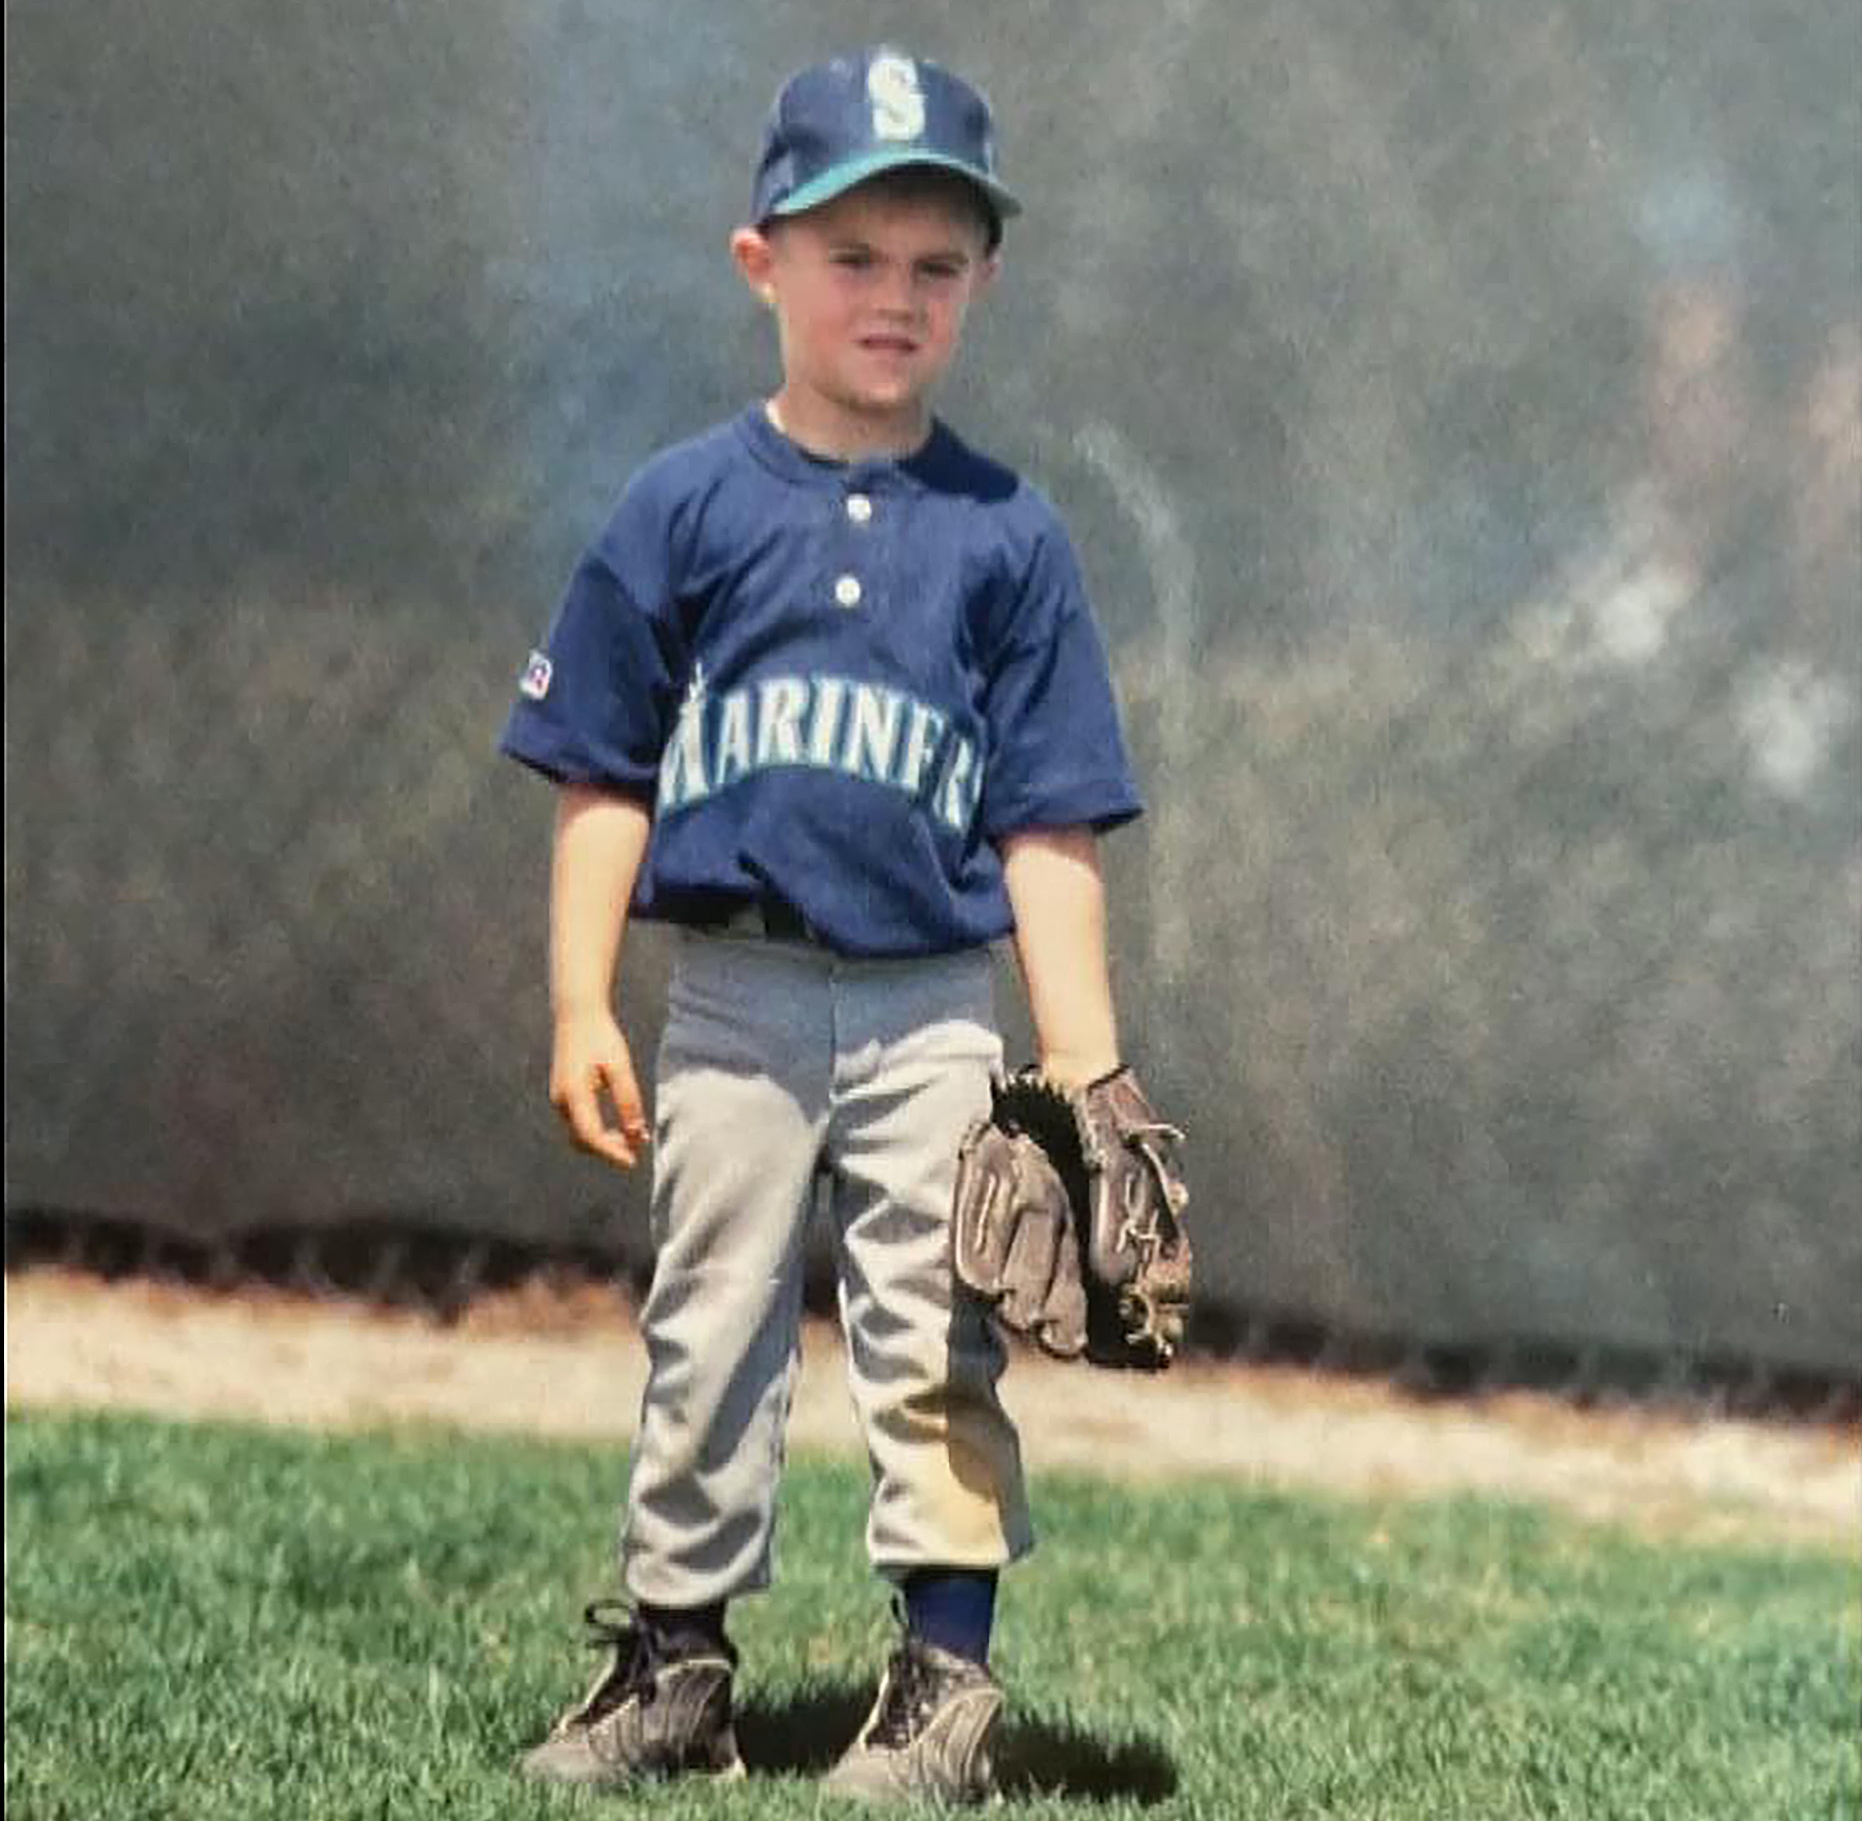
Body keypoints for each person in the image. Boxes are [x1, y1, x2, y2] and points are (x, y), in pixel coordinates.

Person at [498, 44, 1144, 1805]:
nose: (894, 296)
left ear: (983, 285)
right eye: (850, 255)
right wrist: (581, 999)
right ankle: (678, 1662)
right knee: (703, 1326)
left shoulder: (1009, 538)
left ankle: (943, 1684)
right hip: (729, 995)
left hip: (936, 1005)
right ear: (759, 263)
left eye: (936, 263)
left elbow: (1047, 819)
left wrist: (1078, 1063)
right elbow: (599, 774)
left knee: (938, 1332)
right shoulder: (680, 507)